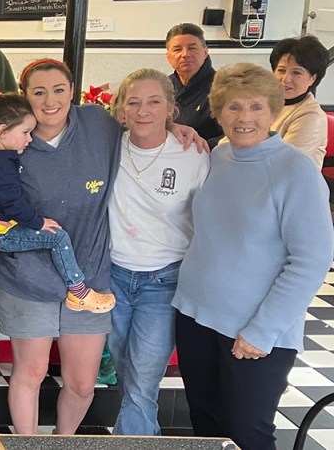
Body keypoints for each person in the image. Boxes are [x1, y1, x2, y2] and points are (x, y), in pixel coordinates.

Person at [174, 63, 333, 450]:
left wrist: (262, 330)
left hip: (254, 331)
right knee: (207, 427)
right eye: (233, 107)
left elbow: (311, 259)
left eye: (256, 107)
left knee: (248, 433)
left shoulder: (295, 170)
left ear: (274, 110)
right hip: (195, 317)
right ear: (217, 110)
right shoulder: (215, 155)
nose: (244, 117)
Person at [0, 59, 121, 435]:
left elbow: (146, 130)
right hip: (27, 279)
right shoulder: (11, 137)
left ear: (72, 91)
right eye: (38, 92)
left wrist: (178, 127)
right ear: (24, 96)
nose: (50, 101)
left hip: (90, 280)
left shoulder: (99, 124)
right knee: (29, 373)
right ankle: (27, 445)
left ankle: (62, 443)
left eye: (59, 90)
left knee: (83, 383)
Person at [105, 69, 208, 436]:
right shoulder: (108, 147)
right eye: (133, 102)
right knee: (128, 377)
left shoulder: (193, 154)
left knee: (142, 382)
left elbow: (208, 220)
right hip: (113, 279)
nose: (142, 110)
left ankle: (129, 442)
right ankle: (146, 438)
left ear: (170, 108)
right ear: (120, 109)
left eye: (153, 102)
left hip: (164, 281)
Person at [0, 82, 115, 314]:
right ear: (2, 130)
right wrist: (38, 222)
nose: (30, 140)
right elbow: (14, 204)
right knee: (57, 237)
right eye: (25, 133)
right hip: (2, 233)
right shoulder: (2, 168)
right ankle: (79, 292)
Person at [267, 35, 329, 167]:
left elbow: (282, 163)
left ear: (313, 78)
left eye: (297, 72)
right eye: (281, 70)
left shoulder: (311, 116)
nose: (286, 79)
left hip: (290, 184)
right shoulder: (265, 101)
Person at [165, 23, 221, 144]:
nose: (185, 54)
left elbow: (231, 136)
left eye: (192, 48)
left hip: (205, 155)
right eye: (177, 49)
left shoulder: (223, 87)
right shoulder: (163, 86)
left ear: (205, 52)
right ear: (168, 56)